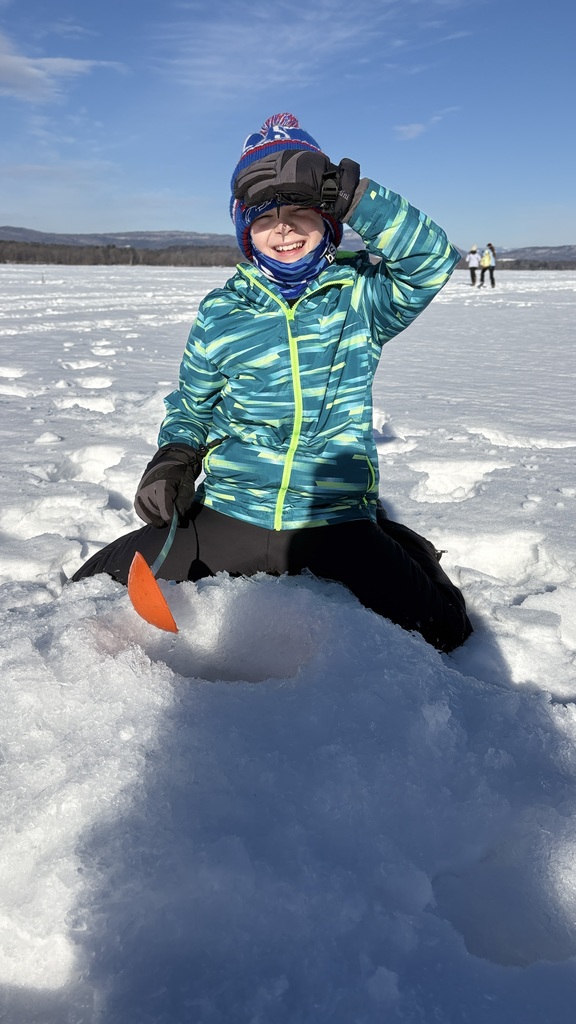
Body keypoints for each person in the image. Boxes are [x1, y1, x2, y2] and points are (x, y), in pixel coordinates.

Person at [71, 112, 472, 653]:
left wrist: (355, 197)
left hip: (331, 519)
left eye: (300, 212)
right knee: (93, 582)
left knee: (446, 631)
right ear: (245, 231)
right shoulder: (222, 311)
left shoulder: (360, 297)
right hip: (234, 507)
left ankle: (403, 545)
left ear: (328, 222)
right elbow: (194, 403)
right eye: (265, 218)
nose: (283, 228)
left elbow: (431, 259)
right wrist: (174, 456)